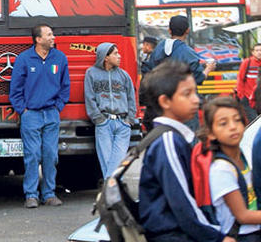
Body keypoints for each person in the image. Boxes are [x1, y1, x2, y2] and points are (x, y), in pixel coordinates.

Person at [138, 60, 233, 242]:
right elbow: (182, 203)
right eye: (187, 94)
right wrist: (217, 237)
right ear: (165, 101)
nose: (196, 99)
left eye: (194, 92)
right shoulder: (168, 141)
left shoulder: (172, 137)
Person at [9, 25, 70, 209]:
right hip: (31, 115)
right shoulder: (24, 59)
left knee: (51, 155)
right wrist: (23, 110)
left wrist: (58, 106)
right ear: (38, 39)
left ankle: (49, 194)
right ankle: (31, 195)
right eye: (49, 34)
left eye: (52, 33)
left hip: (51, 113)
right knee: (32, 155)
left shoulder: (60, 58)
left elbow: (65, 86)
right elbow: (16, 89)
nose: (53, 37)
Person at [198, 97, 261, 242]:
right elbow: (243, 216)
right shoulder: (222, 169)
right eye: (223, 123)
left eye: (237, 120)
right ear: (211, 133)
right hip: (241, 235)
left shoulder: (242, 157)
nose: (233, 127)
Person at [141, 15, 215, 130]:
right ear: (188, 31)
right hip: (183, 105)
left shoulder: (158, 49)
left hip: (161, 105)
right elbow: (198, 79)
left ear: (169, 30)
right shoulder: (188, 52)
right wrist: (208, 69)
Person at [84, 43, 136, 180]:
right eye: (115, 54)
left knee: (118, 162)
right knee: (106, 161)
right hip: (104, 123)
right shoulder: (91, 73)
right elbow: (89, 97)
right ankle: (114, 193)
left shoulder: (124, 75)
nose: (119, 56)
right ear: (105, 57)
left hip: (122, 124)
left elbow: (132, 97)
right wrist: (99, 119)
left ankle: (110, 191)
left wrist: (129, 119)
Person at [236, 44, 261, 123]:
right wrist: (242, 96)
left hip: (259, 98)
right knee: (254, 121)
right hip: (248, 98)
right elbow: (240, 79)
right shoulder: (247, 62)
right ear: (252, 52)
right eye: (257, 50)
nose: (259, 52)